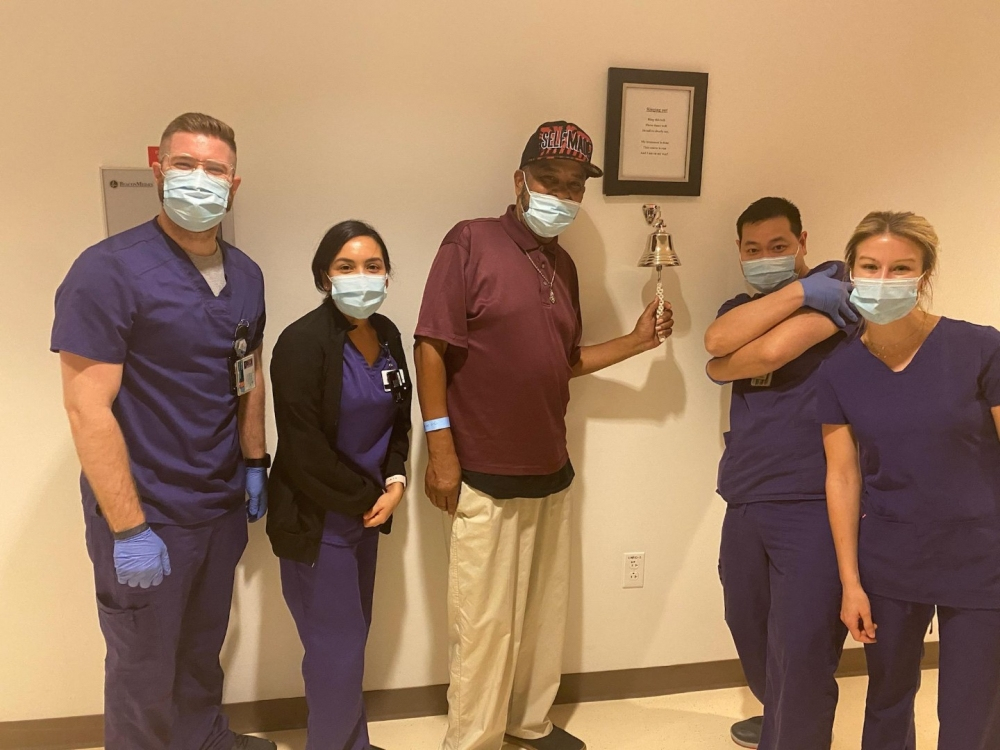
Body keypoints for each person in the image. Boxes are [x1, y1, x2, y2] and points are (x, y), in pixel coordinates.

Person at [414, 120, 673, 750]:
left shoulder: (564, 263)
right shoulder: (469, 241)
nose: (562, 194)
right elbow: (430, 345)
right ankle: (472, 741)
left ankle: (527, 725)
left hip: (550, 468)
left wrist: (637, 343)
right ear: (519, 181)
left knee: (540, 619)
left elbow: (565, 361)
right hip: (481, 472)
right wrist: (442, 450)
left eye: (573, 185)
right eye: (549, 180)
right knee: (483, 626)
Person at [52, 113, 274, 750]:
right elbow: (86, 409)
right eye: (185, 165)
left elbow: (248, 373)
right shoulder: (108, 271)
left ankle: (205, 741)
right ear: (158, 169)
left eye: (215, 169)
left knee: (204, 649)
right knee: (143, 669)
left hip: (217, 502)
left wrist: (254, 462)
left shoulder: (248, 275)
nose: (199, 181)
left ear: (235, 183)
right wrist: (128, 528)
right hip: (147, 513)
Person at [818, 211, 1000, 750]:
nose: (882, 278)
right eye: (870, 266)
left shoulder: (979, 348)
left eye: (901, 268)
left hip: (981, 556)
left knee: (973, 712)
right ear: (850, 271)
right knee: (887, 701)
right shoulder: (840, 369)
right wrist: (850, 582)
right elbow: (843, 477)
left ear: (923, 275)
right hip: (890, 560)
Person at [704, 197, 858, 749]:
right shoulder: (738, 304)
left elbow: (765, 354)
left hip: (811, 499)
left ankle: (796, 732)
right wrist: (722, 360)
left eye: (777, 246)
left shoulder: (837, 283)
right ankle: (783, 716)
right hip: (746, 492)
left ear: (802, 242)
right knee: (746, 618)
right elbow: (716, 344)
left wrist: (724, 366)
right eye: (752, 249)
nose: (765, 257)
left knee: (802, 643)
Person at [266, 221, 411, 750]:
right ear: (325, 276)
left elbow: (401, 418)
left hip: (369, 515)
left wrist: (396, 479)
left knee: (352, 643)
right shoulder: (302, 342)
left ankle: (353, 744)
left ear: (388, 274)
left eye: (373, 266)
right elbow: (302, 450)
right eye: (346, 267)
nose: (361, 277)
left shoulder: (388, 334)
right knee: (335, 651)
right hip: (318, 521)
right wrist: (369, 498)